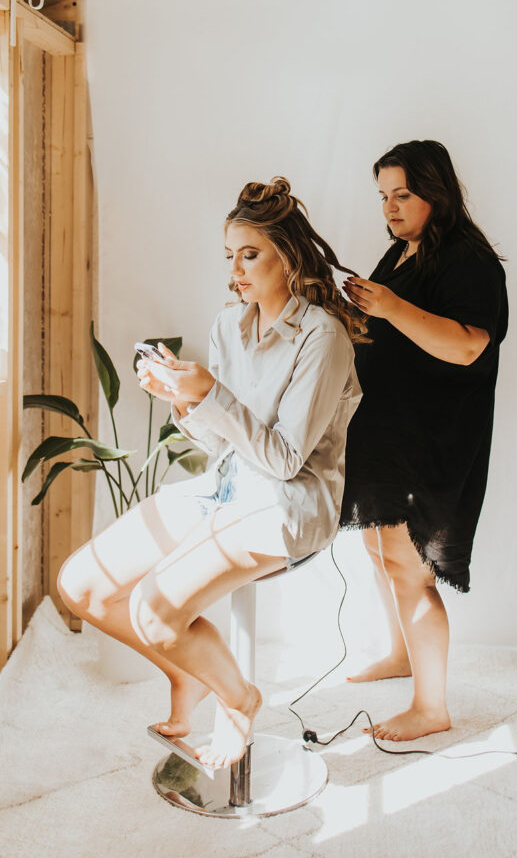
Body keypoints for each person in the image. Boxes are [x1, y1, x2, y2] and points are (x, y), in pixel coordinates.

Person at [58, 178, 364, 769]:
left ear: (289, 257)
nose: (237, 269)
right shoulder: (230, 326)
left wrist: (212, 394)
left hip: (287, 505)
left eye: (250, 254)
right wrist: (182, 399)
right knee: (82, 585)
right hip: (224, 485)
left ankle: (239, 700)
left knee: (153, 609)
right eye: (230, 255)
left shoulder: (322, 338)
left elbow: (283, 460)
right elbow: (210, 436)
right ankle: (187, 676)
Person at [340, 140, 508, 742]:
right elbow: (388, 327)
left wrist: (387, 305)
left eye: (402, 194)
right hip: (390, 429)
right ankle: (401, 653)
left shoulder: (470, 260)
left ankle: (431, 707)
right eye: (383, 195)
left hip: (433, 437)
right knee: (379, 552)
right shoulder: (403, 251)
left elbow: (466, 345)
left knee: (410, 566)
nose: (390, 206)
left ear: (435, 193)